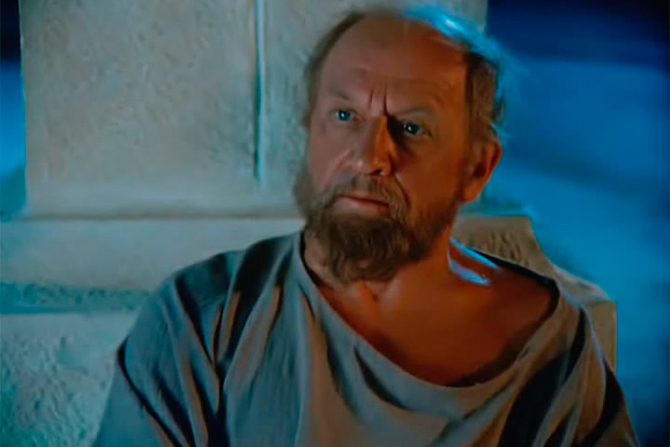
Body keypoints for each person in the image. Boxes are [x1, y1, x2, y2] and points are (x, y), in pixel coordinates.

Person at [93, 5, 639, 446]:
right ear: (309, 131)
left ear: (477, 169)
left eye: (411, 128)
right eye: (344, 116)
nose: (368, 156)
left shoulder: (547, 346)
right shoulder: (204, 319)